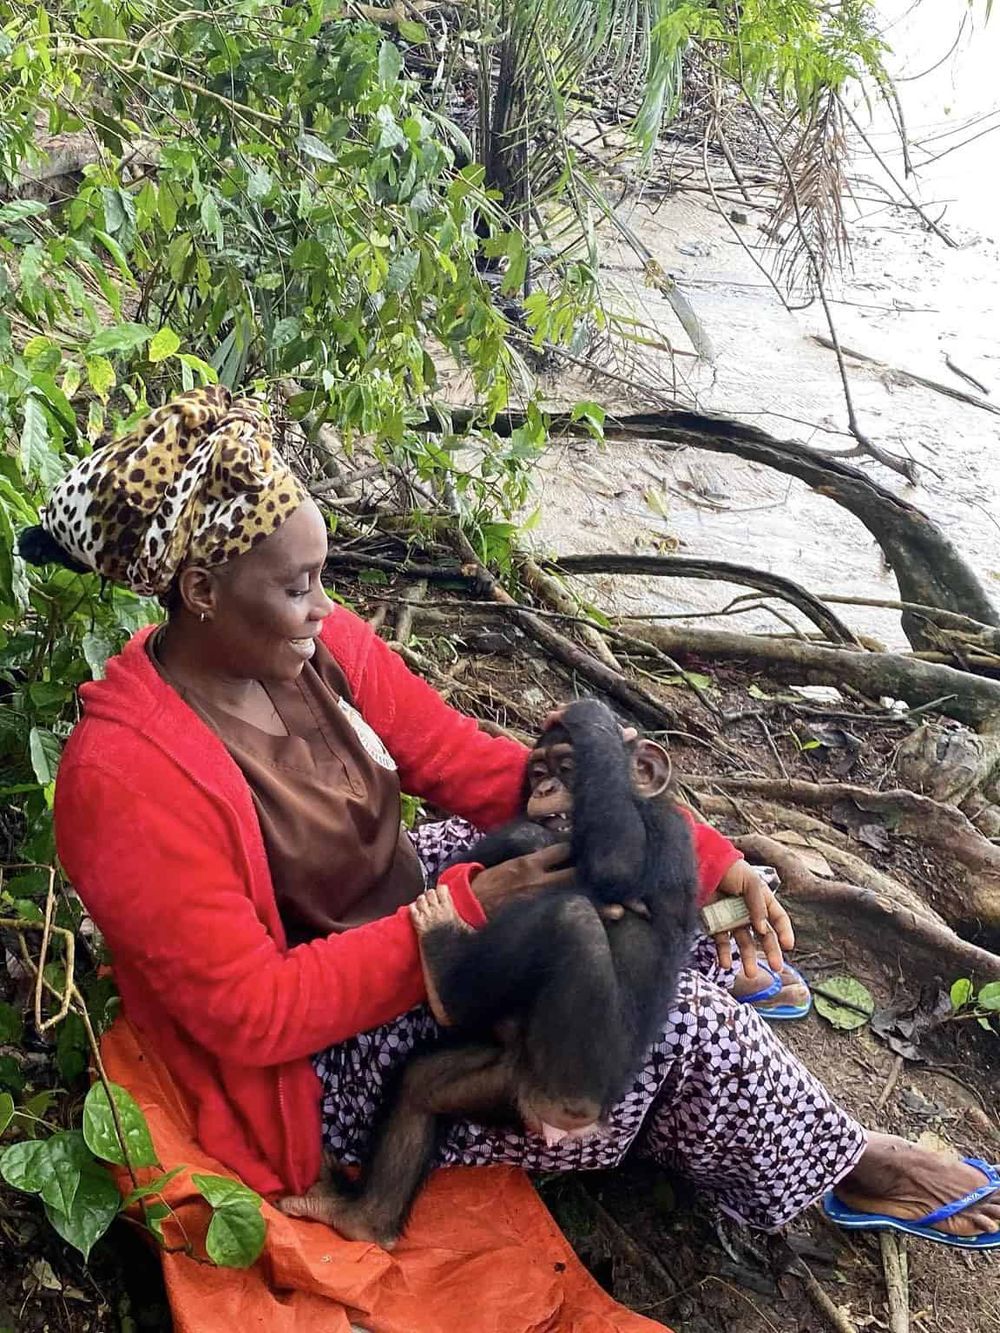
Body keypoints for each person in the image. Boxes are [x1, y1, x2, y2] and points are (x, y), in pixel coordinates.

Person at [23, 387, 1000, 1249]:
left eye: (321, 577)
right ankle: (846, 1162)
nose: (325, 606)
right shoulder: (126, 778)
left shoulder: (321, 647)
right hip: (317, 1055)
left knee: (607, 856)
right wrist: (458, 918)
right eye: (295, 587)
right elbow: (252, 1013)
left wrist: (713, 863)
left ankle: (702, 978)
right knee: (671, 1027)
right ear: (198, 592)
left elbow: (464, 761)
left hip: (402, 913)